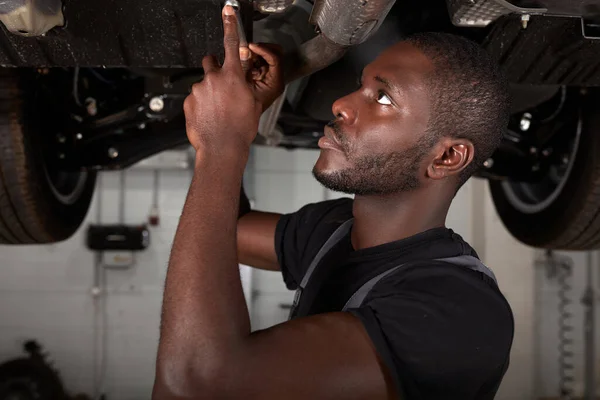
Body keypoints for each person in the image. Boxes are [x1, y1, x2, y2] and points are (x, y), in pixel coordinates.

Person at [152, 4, 515, 400]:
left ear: (447, 158)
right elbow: (228, 229)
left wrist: (222, 146)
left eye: (384, 98)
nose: (341, 103)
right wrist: (246, 114)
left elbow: (197, 384)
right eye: (361, 85)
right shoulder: (336, 231)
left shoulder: (459, 312)